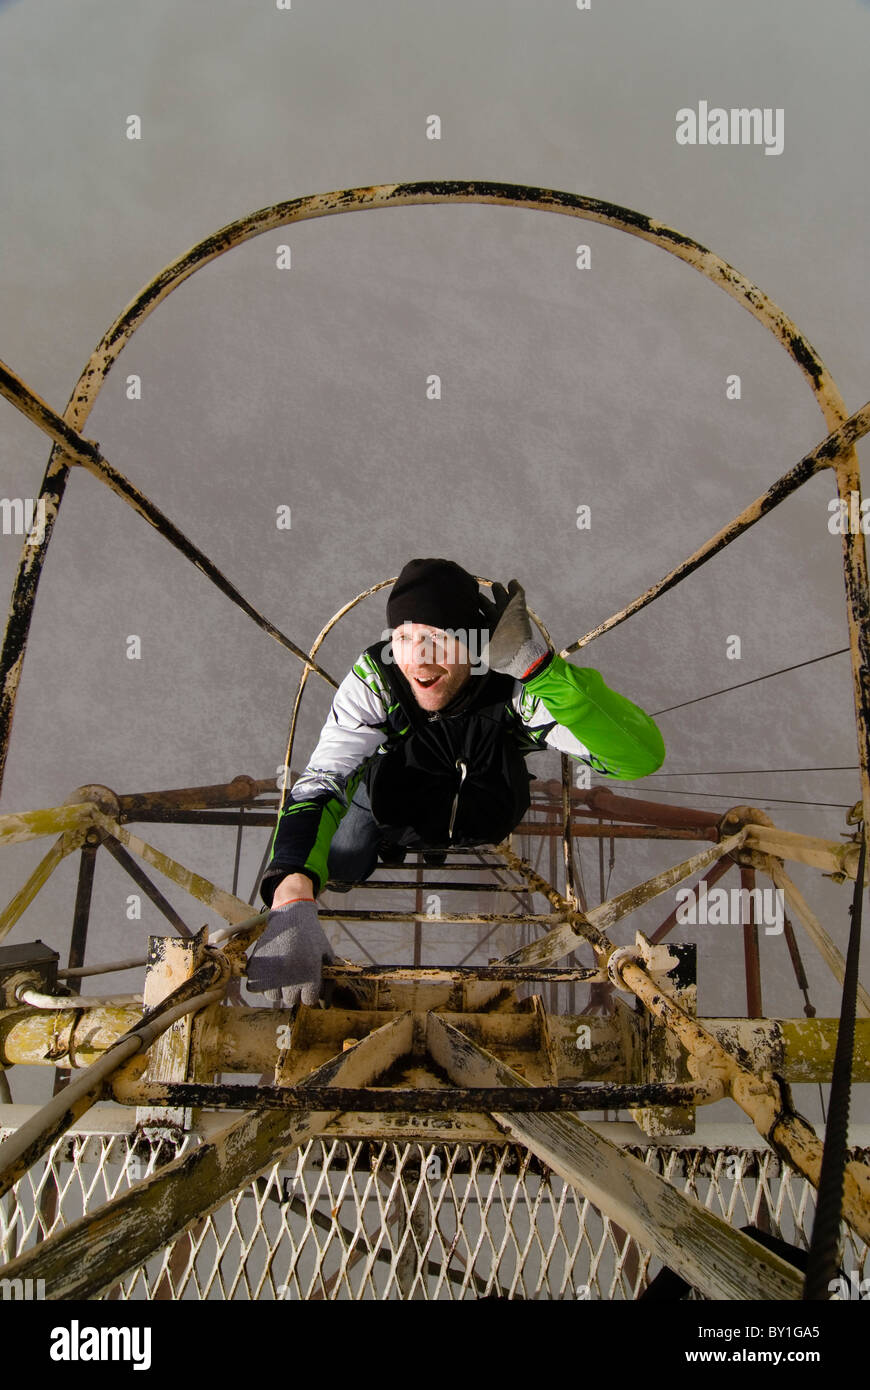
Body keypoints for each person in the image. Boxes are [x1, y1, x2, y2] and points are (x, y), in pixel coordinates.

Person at [247, 557, 665, 1008]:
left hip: (481, 810)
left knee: (349, 851)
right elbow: (323, 780)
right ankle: (368, 851)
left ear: (475, 644)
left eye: (438, 638)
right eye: (404, 638)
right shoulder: (377, 680)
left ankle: (395, 841)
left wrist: (538, 668)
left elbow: (637, 756)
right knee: (341, 860)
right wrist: (291, 893)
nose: (418, 658)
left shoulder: (512, 686)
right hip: (392, 801)